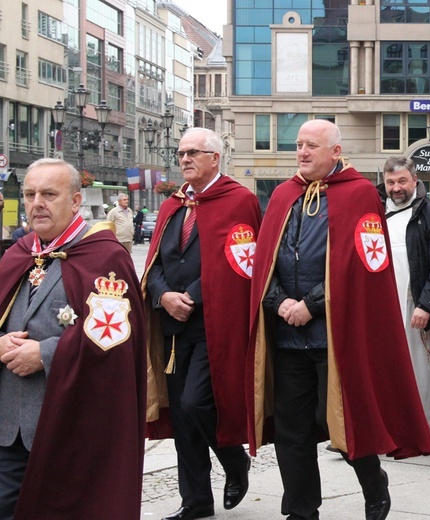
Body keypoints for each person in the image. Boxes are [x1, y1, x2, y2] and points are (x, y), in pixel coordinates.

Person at [246, 119, 430, 520]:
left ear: (335, 151)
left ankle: (373, 482)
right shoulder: (283, 195)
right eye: (299, 145)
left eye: (311, 145)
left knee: (343, 424)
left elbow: (362, 266)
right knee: (290, 431)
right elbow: (265, 262)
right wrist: (279, 303)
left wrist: (311, 306)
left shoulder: (361, 194)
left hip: (335, 333)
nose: (302, 152)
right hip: (287, 335)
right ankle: (300, 510)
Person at [0, 158, 146, 519]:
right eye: (30, 194)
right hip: (7, 426)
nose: (37, 203)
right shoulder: (17, 254)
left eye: (49, 194)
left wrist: (47, 354)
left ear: (76, 201)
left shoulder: (104, 256)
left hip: (70, 423)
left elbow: (113, 341)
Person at [143, 127, 261, 520]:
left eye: (193, 152)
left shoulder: (238, 200)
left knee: (197, 403)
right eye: (180, 154)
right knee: (181, 417)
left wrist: (190, 295)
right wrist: (162, 296)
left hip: (213, 322)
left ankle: (234, 461)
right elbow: (157, 262)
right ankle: (195, 500)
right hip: (172, 326)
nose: (185, 159)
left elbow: (238, 261)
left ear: (215, 157)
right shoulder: (173, 205)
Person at [377, 156, 430, 431]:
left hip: (414, 304)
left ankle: (420, 428)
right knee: (383, 369)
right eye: (390, 182)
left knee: (419, 370)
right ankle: (386, 427)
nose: (396, 188)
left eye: (402, 181)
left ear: (415, 181)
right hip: (382, 304)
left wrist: (427, 304)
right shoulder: (374, 211)